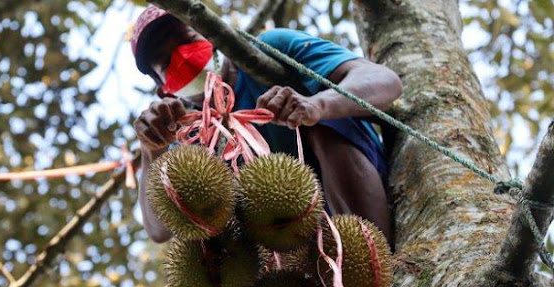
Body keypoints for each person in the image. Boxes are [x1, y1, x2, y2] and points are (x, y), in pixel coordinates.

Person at [131, 6, 402, 245]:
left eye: (186, 40)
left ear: (214, 37)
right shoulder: (184, 135)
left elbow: (385, 81)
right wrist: (151, 148)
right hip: (295, 246)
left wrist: (318, 105)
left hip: (360, 188)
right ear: (164, 91)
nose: (182, 57)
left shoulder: (269, 49)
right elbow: (158, 230)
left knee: (320, 122)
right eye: (167, 62)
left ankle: (369, 249)